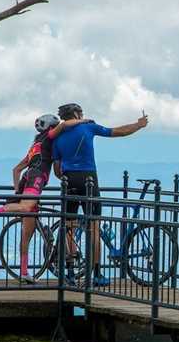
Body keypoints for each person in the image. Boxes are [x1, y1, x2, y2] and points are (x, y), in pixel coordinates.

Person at [0, 112, 90, 282]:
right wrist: (83, 121)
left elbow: (16, 170)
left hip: (28, 178)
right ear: (50, 127)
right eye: (54, 127)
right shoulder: (49, 138)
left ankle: (24, 272)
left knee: (27, 233)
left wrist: (18, 191)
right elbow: (63, 126)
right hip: (37, 178)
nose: (57, 130)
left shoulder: (35, 145)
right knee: (26, 208)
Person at [52, 102, 149, 286]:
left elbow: (57, 169)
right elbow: (117, 132)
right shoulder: (88, 127)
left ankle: (71, 273)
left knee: (69, 227)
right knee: (94, 227)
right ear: (76, 113)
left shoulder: (58, 136)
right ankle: (96, 274)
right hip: (89, 178)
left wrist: (66, 176)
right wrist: (139, 125)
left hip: (68, 179)